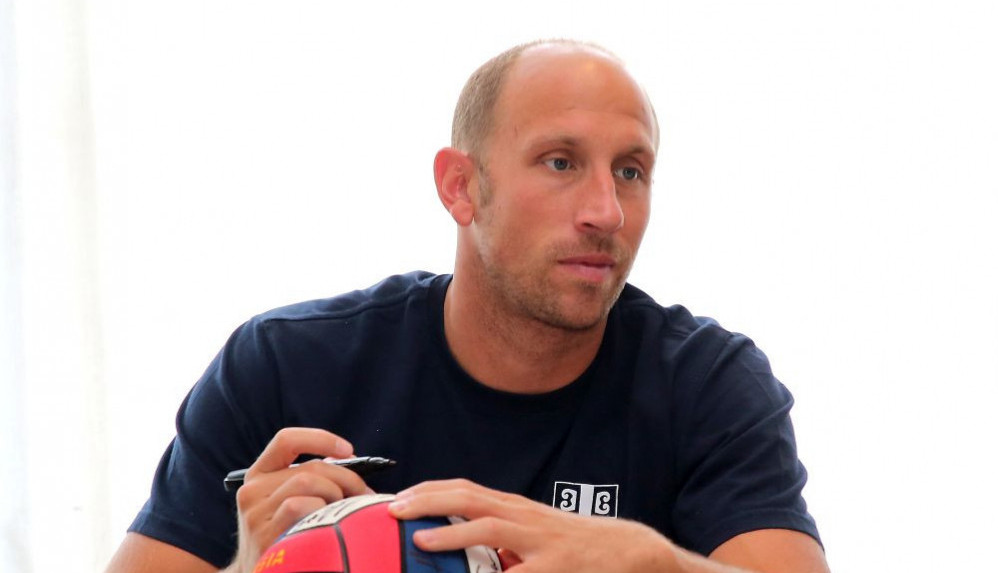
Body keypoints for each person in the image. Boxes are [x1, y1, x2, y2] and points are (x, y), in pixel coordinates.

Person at [105, 40, 829, 573]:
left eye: (630, 171)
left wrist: (651, 563)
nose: (606, 210)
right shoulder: (284, 366)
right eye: (561, 162)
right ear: (461, 187)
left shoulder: (707, 383)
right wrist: (252, 564)